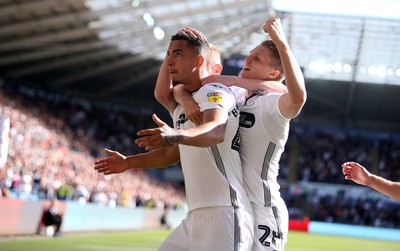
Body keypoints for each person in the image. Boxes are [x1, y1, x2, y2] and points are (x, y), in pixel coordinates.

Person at [94, 28, 254, 251]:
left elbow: (216, 131)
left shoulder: (214, 91)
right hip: (196, 215)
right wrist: (129, 162)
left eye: (178, 54)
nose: (170, 60)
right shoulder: (181, 105)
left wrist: (175, 135)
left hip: (226, 210)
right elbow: (169, 153)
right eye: (168, 54)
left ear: (198, 61)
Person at [174, 17, 306, 251]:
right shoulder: (232, 94)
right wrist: (186, 98)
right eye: (249, 54)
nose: (248, 59)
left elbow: (296, 96)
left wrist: (281, 42)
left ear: (274, 72)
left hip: (264, 207)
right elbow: (182, 85)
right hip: (233, 205)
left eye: (257, 58)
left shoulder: (274, 104)